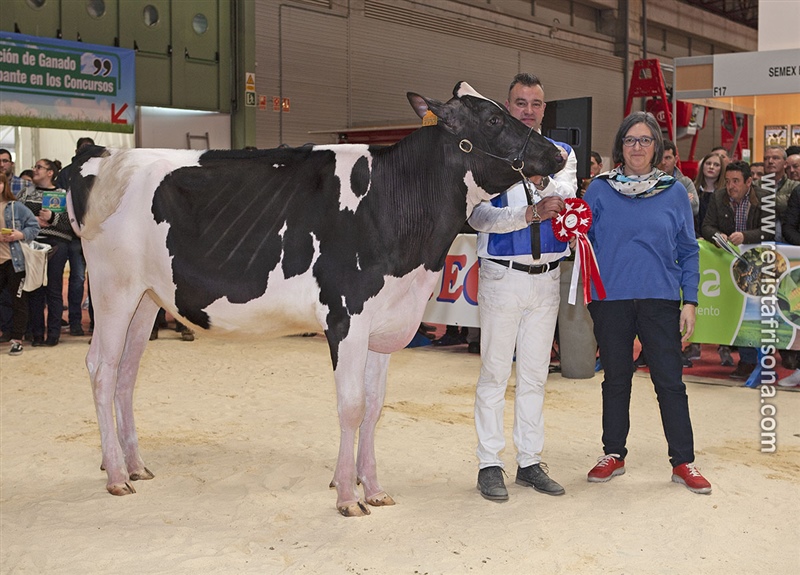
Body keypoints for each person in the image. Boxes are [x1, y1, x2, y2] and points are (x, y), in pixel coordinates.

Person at [583, 111, 711, 495]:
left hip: (660, 299)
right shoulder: (600, 189)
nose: (637, 147)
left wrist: (691, 301)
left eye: (645, 140)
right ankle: (613, 453)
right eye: (630, 140)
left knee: (670, 381)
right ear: (619, 147)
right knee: (616, 378)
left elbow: (689, 250)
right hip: (612, 300)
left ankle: (683, 461)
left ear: (657, 147)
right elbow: (581, 240)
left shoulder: (673, 191)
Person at [469, 72, 576, 502]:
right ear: (506, 105)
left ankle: (530, 461)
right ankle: (488, 464)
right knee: (494, 374)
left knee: (534, 375)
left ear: (544, 109)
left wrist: (544, 184)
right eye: (520, 102)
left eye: (535, 103)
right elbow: (476, 218)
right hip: (501, 275)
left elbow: (567, 193)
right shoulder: (486, 155)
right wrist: (526, 217)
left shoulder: (561, 153)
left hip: (547, 278)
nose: (528, 110)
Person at [701, 161, 775, 380]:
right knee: (734, 312)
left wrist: (746, 237)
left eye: (736, 181)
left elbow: (771, 231)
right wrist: (717, 236)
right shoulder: (718, 197)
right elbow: (706, 226)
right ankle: (746, 359)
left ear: (749, 181)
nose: (731, 186)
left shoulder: (765, 197)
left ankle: (757, 360)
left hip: (759, 264)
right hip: (727, 265)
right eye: (728, 181)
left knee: (753, 314)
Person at [23, 159, 73, 347]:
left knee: (53, 290)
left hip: (57, 245)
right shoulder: (26, 194)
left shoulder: (63, 195)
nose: (34, 170)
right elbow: (14, 217)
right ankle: (36, 334)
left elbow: (72, 225)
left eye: (39, 167)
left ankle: (53, 335)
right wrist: (33, 220)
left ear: (50, 172)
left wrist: (52, 217)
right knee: (34, 290)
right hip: (31, 246)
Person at [56, 137, 96, 336]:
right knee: (77, 280)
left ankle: (96, 324)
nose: (86, 151)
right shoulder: (66, 173)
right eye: (83, 148)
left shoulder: (101, 170)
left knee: (97, 281)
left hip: (97, 237)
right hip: (74, 236)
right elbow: (59, 203)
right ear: (76, 150)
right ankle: (75, 323)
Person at [0, 173, 40, 355]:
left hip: (14, 263)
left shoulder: (16, 207)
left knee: (18, 301)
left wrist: (19, 235)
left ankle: (17, 339)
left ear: (4, 185)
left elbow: (34, 226)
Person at [660, 140, 698, 216]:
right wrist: (683, 199)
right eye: (659, 158)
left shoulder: (686, 182)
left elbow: (694, 208)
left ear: (676, 160)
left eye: (667, 158)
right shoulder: (648, 180)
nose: (663, 162)